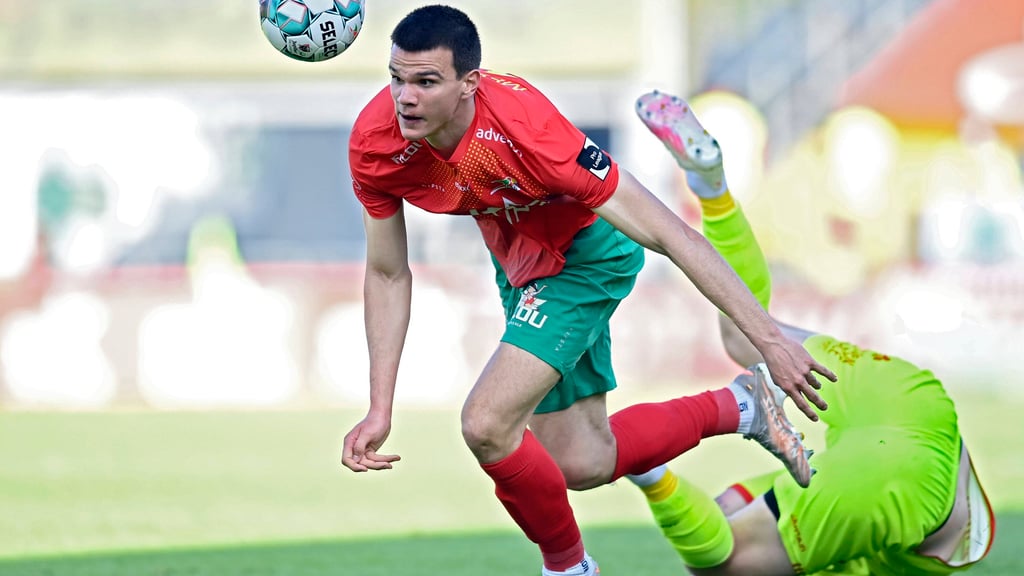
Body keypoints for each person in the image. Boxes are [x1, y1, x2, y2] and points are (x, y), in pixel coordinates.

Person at [339, 6, 838, 575]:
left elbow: (670, 234)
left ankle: (571, 568)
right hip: (521, 262)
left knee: (486, 423)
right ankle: (741, 406)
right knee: (580, 462)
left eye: (426, 82)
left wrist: (770, 341)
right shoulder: (376, 144)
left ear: (468, 85)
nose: (405, 97)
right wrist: (381, 406)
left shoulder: (528, 128)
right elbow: (385, 271)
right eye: (397, 78)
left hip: (587, 253)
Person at [626, 89, 997, 575]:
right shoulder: (857, 520)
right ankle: (649, 470)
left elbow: (740, 502)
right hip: (897, 485)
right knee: (722, 566)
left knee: (750, 336)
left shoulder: (849, 519)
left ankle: (713, 190)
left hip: (917, 404)